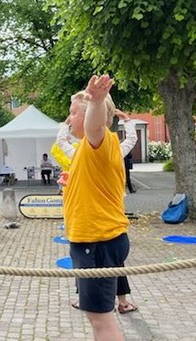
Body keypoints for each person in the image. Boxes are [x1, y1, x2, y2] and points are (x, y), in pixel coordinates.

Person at [63, 75, 130, 340]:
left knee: (101, 320)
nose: (69, 118)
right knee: (97, 317)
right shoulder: (84, 149)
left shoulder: (100, 142)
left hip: (98, 243)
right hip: (93, 242)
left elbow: (94, 127)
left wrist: (96, 101)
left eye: (73, 113)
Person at [55, 108, 138, 314]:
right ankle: (121, 301)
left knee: (104, 268)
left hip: (101, 227)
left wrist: (65, 125)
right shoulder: (91, 152)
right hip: (109, 227)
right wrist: (127, 121)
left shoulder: (98, 150)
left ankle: (101, 300)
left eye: (74, 112)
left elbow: (62, 142)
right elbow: (131, 140)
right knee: (115, 266)